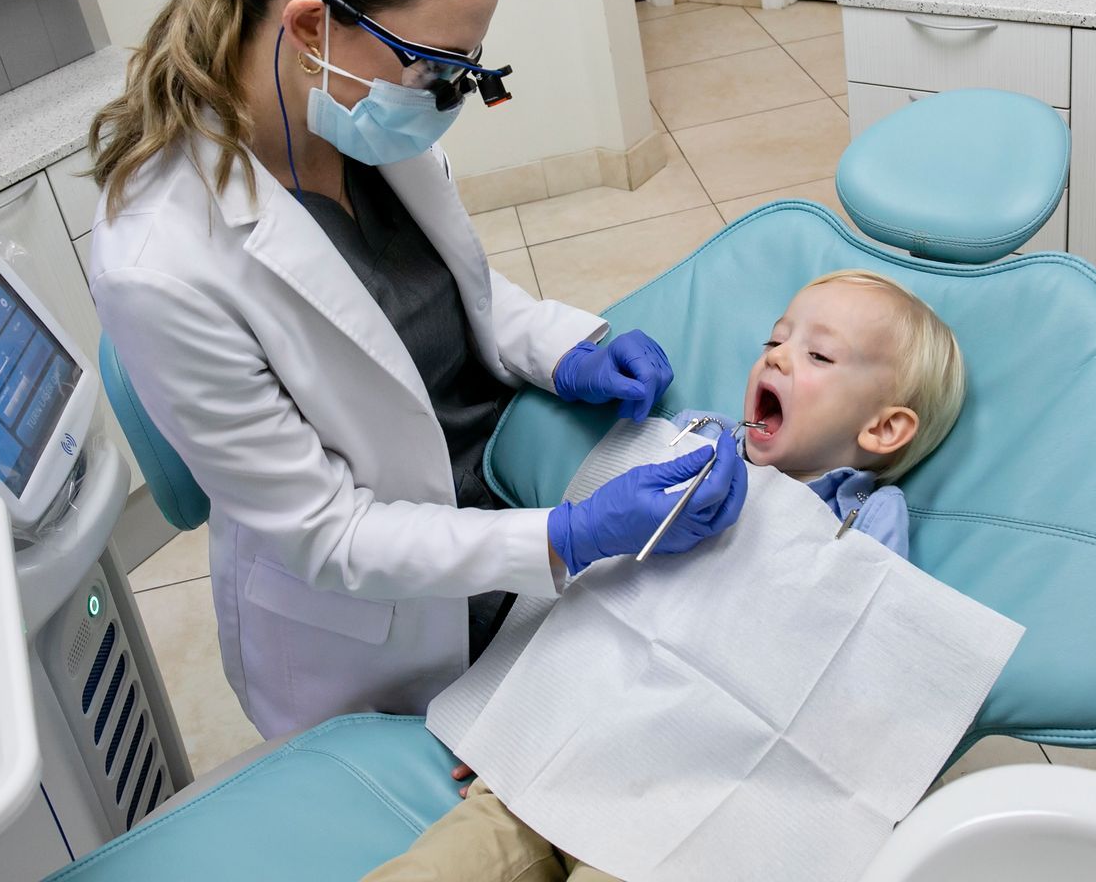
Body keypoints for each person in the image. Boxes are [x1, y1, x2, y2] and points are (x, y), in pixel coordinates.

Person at [85, 0, 748, 737]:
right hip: (382, 629)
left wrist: (566, 348)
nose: (445, 96)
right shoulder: (163, 263)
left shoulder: (358, 122)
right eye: (435, 66)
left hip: (505, 518)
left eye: (465, 71)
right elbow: (330, 536)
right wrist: (567, 539)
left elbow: (450, 292)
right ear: (311, 28)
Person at [369, 269, 967, 882]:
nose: (779, 358)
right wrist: (512, 722)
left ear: (883, 429)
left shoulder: (864, 517)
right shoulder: (692, 447)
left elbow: (862, 673)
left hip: (689, 800)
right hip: (567, 748)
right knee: (445, 862)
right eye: (775, 342)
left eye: (817, 354)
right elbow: (591, 597)